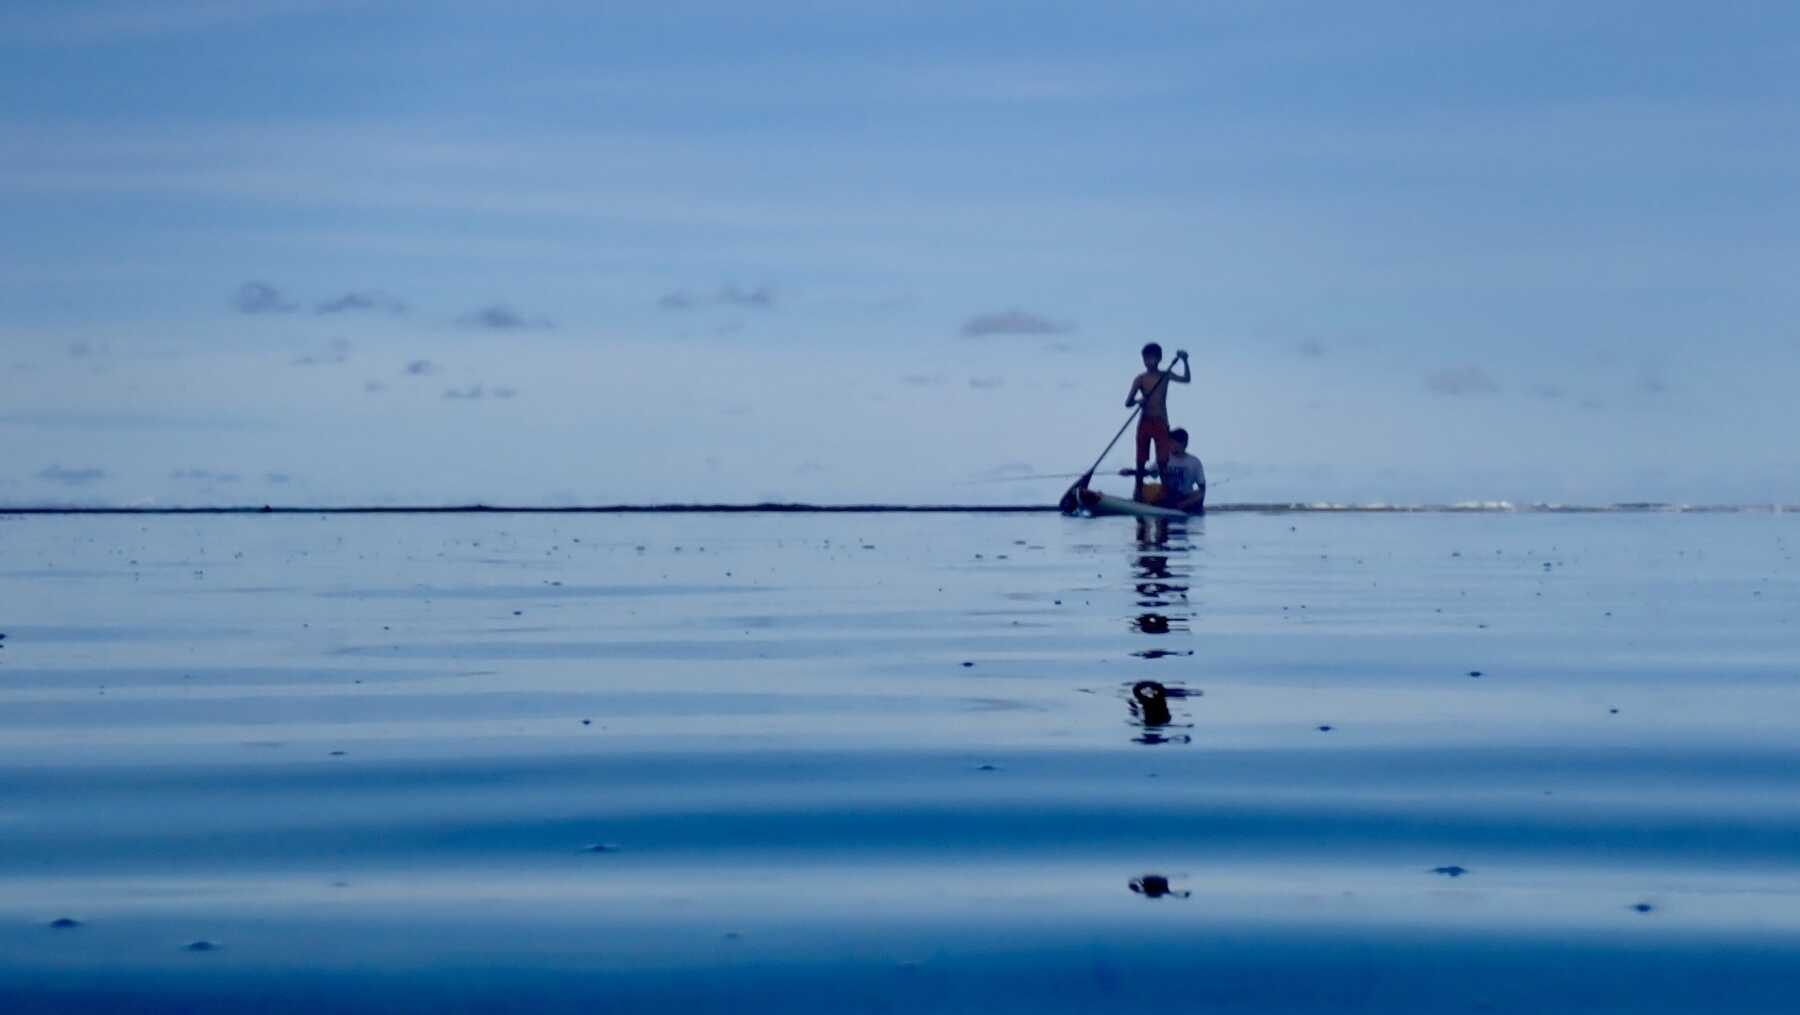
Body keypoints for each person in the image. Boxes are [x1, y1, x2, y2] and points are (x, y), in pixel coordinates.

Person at [1125, 343, 1190, 499]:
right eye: (1145, 358)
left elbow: (1186, 379)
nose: (1148, 361)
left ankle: (1165, 493)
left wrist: (1185, 361)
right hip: (1145, 422)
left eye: (1152, 358)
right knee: (1140, 460)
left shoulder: (1165, 375)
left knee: (1162, 461)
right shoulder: (1140, 379)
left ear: (1159, 359)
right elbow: (1128, 402)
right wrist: (1139, 401)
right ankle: (1138, 491)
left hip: (1161, 421)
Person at [1160, 428, 1206, 513]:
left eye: (1173, 442)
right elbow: (1148, 472)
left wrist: (1185, 503)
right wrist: (1131, 472)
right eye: (1169, 442)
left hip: (1185, 499)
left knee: (1198, 494)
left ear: (1183, 444)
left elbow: (1202, 490)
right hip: (1167, 497)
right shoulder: (1164, 459)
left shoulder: (1194, 462)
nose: (1169, 445)